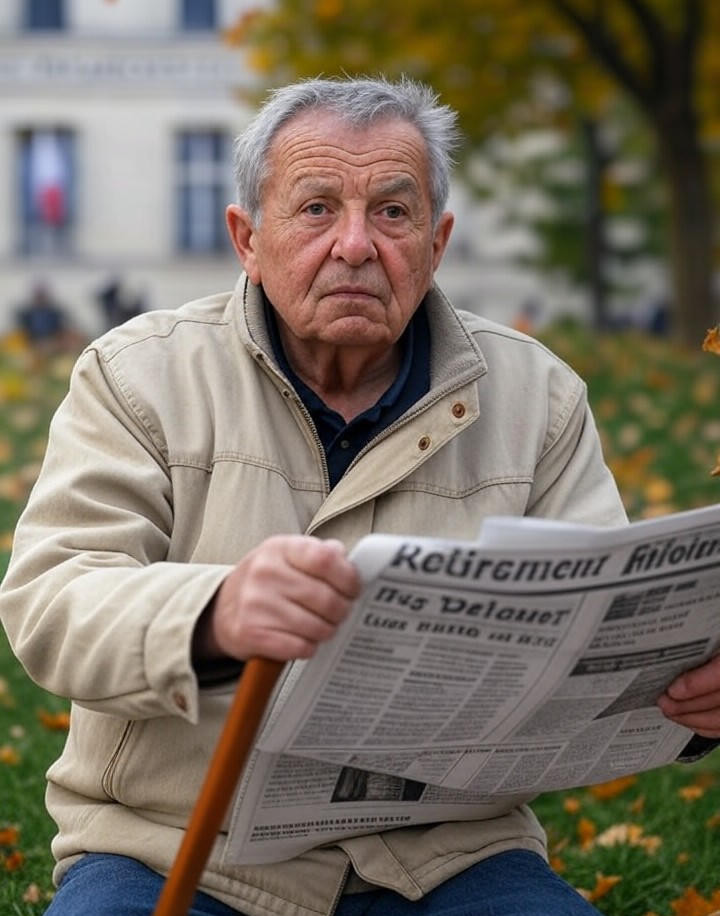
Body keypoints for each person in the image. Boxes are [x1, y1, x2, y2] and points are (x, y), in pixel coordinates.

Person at [1, 76, 718, 916]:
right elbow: (52, 600)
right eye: (316, 209)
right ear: (247, 238)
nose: (355, 245)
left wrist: (691, 706)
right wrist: (214, 613)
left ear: (436, 242)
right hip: (172, 844)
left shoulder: (539, 396)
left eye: (392, 211)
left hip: (449, 853)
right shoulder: (139, 375)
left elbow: (607, 636)